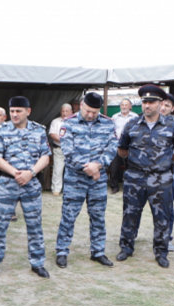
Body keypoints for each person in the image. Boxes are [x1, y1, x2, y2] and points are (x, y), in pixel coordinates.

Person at [0, 96, 51, 279]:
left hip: (31, 184)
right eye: (12, 111)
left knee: (35, 225)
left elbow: (45, 157)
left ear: (28, 111)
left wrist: (30, 173)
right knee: (0, 225)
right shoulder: (2, 130)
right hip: (8, 183)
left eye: (18, 111)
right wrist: (16, 173)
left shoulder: (39, 131)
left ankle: (37, 263)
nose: (14, 114)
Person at [116, 84, 174, 268]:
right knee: (130, 214)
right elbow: (122, 150)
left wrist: (163, 162)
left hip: (161, 179)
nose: (147, 106)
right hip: (135, 178)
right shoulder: (131, 124)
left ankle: (161, 252)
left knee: (162, 217)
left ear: (161, 104)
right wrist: (139, 163)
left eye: (151, 102)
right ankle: (126, 248)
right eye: (145, 102)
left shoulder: (173, 125)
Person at [55, 92, 116, 268]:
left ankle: (98, 252)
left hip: (98, 179)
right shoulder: (68, 124)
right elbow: (68, 152)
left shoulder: (108, 123)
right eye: (88, 111)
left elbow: (112, 149)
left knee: (98, 217)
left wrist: (97, 166)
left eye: (94, 112)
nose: (90, 115)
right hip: (75, 179)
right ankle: (62, 251)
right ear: (81, 105)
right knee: (69, 216)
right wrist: (89, 169)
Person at [160, 93, 174, 251]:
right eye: (162, 104)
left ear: (172, 109)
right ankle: (131, 235)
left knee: (167, 208)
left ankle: (167, 237)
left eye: (167, 105)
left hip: (166, 175)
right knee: (135, 208)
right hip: (143, 175)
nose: (163, 108)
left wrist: (168, 163)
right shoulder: (145, 121)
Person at [109, 99, 138, 194]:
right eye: (122, 104)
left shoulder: (135, 117)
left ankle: (131, 187)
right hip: (117, 145)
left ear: (130, 106)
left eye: (126, 105)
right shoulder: (115, 116)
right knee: (114, 166)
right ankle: (114, 186)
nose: (124, 106)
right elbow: (111, 130)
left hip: (131, 145)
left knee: (131, 166)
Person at [48, 103, 74, 195]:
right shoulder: (55, 121)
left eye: (67, 111)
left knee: (72, 170)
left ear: (71, 112)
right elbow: (52, 134)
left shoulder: (75, 121)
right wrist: (64, 140)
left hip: (72, 150)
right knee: (57, 170)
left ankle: (71, 190)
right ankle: (56, 189)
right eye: (63, 111)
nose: (64, 113)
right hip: (59, 149)